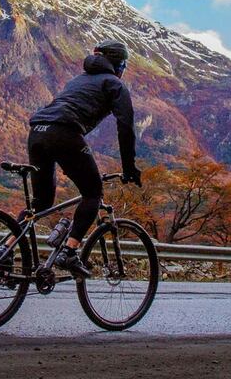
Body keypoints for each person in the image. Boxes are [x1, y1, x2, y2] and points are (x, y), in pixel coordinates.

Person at [11, 39, 141, 278]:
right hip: (64, 132)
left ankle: (4, 252)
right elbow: (126, 126)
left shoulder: (78, 80)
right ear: (118, 63)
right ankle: (69, 251)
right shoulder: (114, 84)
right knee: (93, 193)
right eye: (124, 64)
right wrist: (129, 167)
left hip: (37, 131)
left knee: (41, 204)